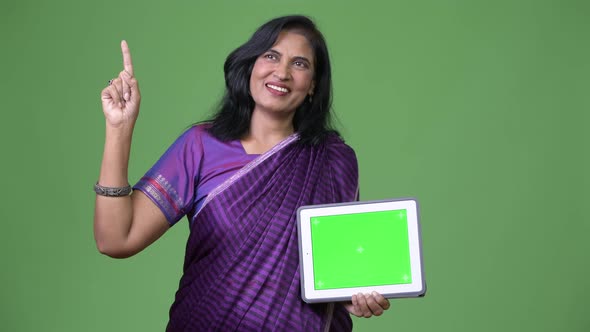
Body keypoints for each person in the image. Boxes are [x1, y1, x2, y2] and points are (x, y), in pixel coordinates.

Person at [94, 15, 390, 331]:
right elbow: (117, 238)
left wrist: (354, 296)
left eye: (300, 64)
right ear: (251, 64)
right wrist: (119, 127)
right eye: (271, 55)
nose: (282, 72)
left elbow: (339, 274)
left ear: (313, 85)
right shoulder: (202, 146)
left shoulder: (333, 161)